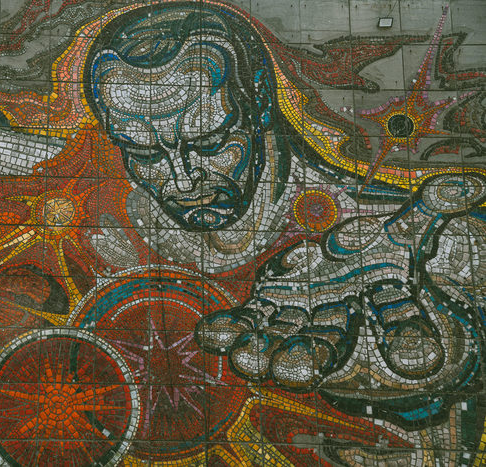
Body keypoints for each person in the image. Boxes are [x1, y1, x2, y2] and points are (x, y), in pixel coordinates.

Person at [85, 3, 486, 430]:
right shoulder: (105, 228)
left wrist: (439, 341)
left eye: (209, 142)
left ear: (259, 98)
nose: (182, 181)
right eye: (144, 153)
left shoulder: (395, 229)